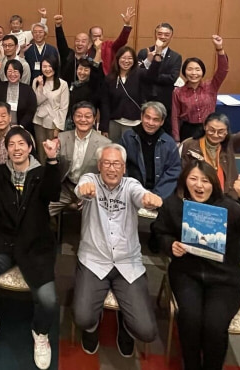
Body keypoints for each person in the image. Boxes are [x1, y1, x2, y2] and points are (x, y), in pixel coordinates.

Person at [151, 161, 240, 370]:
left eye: (205, 180)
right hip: (186, 274)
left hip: (224, 279)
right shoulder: (174, 204)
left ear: (214, 184)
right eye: (193, 179)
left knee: (214, 325)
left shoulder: (229, 207)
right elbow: (158, 233)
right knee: (190, 319)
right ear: (184, 181)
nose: (199, 185)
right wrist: (170, 244)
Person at [0, 128, 61, 370]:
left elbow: (53, 193)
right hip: (4, 240)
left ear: (30, 147)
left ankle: (40, 333)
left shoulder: (42, 173)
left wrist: (52, 160)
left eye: (22, 143)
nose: (16, 148)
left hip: (35, 242)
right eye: (11, 144)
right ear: (7, 150)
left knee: (49, 300)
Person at [73, 144, 161, 358]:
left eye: (116, 164)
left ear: (124, 167)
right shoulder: (90, 180)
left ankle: (126, 324)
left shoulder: (131, 185)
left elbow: (141, 195)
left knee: (147, 331)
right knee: (83, 318)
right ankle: (93, 327)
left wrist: (149, 199)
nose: (111, 168)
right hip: (94, 260)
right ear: (99, 166)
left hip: (127, 262)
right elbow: (81, 188)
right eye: (106, 163)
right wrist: (83, 190)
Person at [181, 113, 240, 199]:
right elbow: (181, 172)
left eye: (221, 131)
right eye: (211, 130)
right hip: (198, 192)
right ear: (205, 127)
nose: (215, 135)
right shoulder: (189, 145)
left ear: (226, 132)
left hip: (226, 194)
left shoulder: (229, 143)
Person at [48, 102, 111, 218]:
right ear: (73, 118)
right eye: (79, 116)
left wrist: (93, 191)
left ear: (94, 119)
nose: (83, 120)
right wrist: (52, 154)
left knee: (100, 216)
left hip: (91, 189)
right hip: (65, 188)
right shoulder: (62, 138)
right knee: (42, 208)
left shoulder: (105, 143)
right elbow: (55, 168)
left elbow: (107, 174)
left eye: (87, 116)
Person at [172, 35, 228, 142]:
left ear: (202, 72)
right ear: (184, 72)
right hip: (188, 130)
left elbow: (223, 70)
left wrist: (219, 49)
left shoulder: (211, 86)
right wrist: (176, 139)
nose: (194, 73)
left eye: (197, 69)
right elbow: (175, 117)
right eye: (190, 69)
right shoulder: (178, 92)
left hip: (209, 129)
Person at [120, 101, 181, 201]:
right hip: (131, 192)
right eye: (147, 117)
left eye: (156, 120)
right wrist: (132, 191)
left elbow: (173, 172)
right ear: (141, 116)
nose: (150, 123)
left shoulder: (169, 143)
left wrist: (156, 196)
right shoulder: (127, 137)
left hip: (159, 195)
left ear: (162, 122)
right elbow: (121, 165)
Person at [102, 45, 159, 142]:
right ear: (117, 59)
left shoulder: (140, 74)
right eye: (123, 58)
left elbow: (152, 76)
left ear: (134, 60)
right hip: (114, 123)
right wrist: (104, 127)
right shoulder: (110, 78)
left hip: (134, 123)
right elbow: (105, 104)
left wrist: (156, 58)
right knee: (113, 149)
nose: (126, 61)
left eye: (130, 58)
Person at [137, 23, 182, 137]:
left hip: (164, 102)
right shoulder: (144, 52)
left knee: (163, 135)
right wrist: (148, 62)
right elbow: (138, 74)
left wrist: (151, 75)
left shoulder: (176, 57)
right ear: (155, 35)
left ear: (171, 36)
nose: (162, 37)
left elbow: (172, 78)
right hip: (144, 99)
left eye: (166, 34)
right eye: (160, 34)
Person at [32, 56, 69, 164]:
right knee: (41, 151)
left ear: (55, 67)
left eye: (50, 66)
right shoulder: (36, 81)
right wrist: (40, 86)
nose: (47, 69)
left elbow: (64, 108)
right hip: (39, 121)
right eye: (44, 66)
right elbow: (35, 102)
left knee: (53, 151)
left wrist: (58, 127)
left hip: (54, 122)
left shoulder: (63, 84)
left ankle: (52, 171)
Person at [89, 7, 136, 75]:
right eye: (95, 36)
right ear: (90, 37)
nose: (98, 38)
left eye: (100, 36)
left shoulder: (109, 45)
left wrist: (127, 25)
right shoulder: (87, 50)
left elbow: (121, 41)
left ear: (103, 36)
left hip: (108, 77)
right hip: (93, 78)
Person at [54, 15, 99, 86]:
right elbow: (61, 42)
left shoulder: (91, 60)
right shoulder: (68, 55)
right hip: (67, 90)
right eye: (77, 41)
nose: (80, 43)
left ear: (89, 45)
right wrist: (58, 26)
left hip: (84, 91)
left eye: (83, 41)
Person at [65, 58, 106, 131]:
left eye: (86, 70)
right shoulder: (74, 85)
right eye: (80, 69)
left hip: (85, 124)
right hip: (70, 124)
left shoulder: (93, 87)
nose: (82, 72)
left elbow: (96, 75)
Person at [0, 59, 37, 131]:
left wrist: (21, 126)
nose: (12, 74)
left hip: (22, 128)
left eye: (15, 71)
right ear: (5, 73)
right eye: (9, 71)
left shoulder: (27, 89)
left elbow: (31, 110)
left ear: (20, 73)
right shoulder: (0, 87)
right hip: (3, 127)